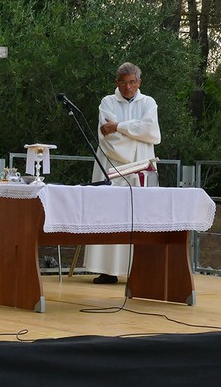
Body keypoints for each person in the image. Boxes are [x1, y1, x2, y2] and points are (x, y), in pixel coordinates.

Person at [85, 62, 161, 284]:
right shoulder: (107, 102)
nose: (128, 87)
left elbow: (151, 130)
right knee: (108, 215)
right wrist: (134, 135)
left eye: (132, 82)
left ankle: (140, 268)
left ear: (139, 82)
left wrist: (118, 126)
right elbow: (108, 138)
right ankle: (106, 270)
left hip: (141, 168)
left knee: (138, 217)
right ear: (116, 83)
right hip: (111, 166)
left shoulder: (148, 103)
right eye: (123, 82)